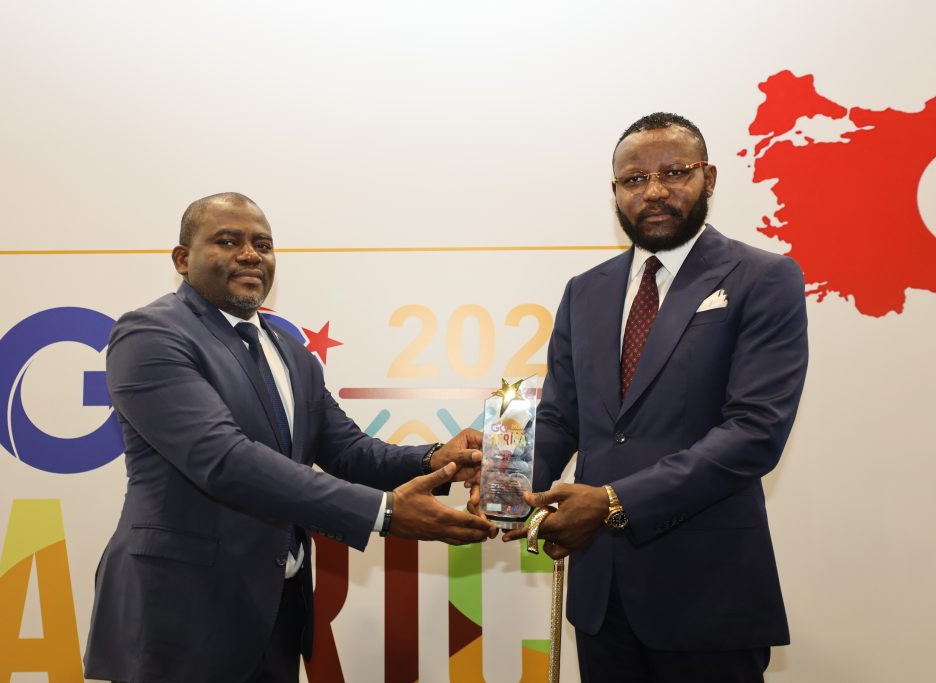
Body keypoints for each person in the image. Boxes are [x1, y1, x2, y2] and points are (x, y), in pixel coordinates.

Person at [84, 192, 496, 683]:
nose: (250, 254)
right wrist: (382, 513)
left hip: (276, 614)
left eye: (263, 244)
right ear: (182, 259)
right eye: (227, 241)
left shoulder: (290, 351)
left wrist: (436, 460)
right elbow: (224, 460)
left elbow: (348, 451)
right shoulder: (150, 334)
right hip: (178, 616)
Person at [500, 113, 809, 682]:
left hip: (708, 591)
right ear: (615, 191)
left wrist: (612, 501)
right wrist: (506, 488)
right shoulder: (584, 291)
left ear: (709, 178)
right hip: (601, 593)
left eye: (674, 172)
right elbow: (562, 417)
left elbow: (754, 433)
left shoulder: (763, 278)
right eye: (634, 179)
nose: (655, 191)